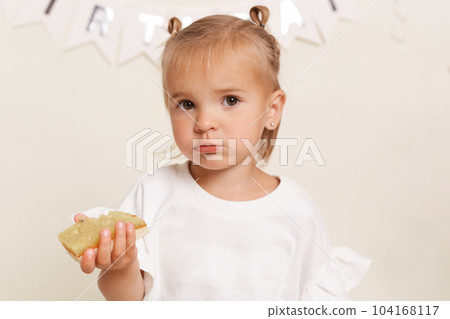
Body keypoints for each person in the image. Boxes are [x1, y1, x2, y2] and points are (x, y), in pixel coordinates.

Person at [73, 5, 371, 301]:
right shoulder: (152, 195)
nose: (203, 123)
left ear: (272, 110)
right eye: (186, 104)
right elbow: (127, 300)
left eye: (230, 100)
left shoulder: (295, 210)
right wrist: (120, 268)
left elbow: (317, 302)